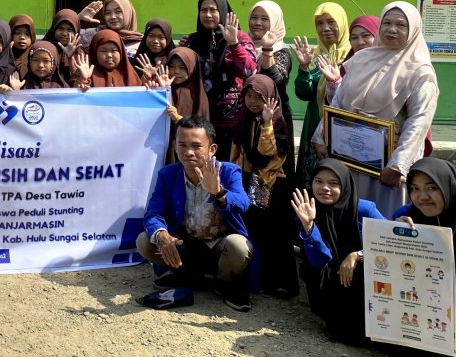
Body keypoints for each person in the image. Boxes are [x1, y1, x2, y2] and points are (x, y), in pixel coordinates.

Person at [313, 2, 437, 213]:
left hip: (386, 168)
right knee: (350, 216)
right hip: (350, 157)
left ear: (413, 29)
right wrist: (321, 136)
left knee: (382, 222)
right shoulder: (361, 59)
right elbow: (338, 101)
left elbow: (419, 121)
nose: (392, 29)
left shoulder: (420, 72)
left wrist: (398, 165)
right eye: (387, 23)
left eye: (401, 25)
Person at [136, 115, 252, 312]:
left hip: (219, 245)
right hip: (186, 244)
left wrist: (220, 193)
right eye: (182, 145)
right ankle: (185, 274)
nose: (188, 152)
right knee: (145, 241)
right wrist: (162, 234)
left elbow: (243, 204)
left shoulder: (228, 172)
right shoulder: (168, 174)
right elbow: (153, 213)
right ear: (174, 146)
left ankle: (222, 282)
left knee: (239, 246)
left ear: (212, 149)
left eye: (196, 146)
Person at [291, 159, 384, 345]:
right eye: (318, 181)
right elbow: (318, 260)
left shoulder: (364, 209)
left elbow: (390, 245)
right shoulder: (307, 210)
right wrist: (308, 226)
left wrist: (357, 255)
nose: (324, 188)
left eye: (333, 183)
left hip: (365, 274)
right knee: (312, 269)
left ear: (345, 185)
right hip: (329, 277)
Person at [229, 74, 298, 298]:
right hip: (248, 181)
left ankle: (279, 283)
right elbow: (235, 154)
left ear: (270, 97)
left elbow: (266, 154)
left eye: (258, 97)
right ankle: (254, 280)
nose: (252, 101)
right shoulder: (243, 120)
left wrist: (267, 123)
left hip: (270, 185)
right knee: (253, 230)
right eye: (248, 95)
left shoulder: (278, 122)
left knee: (274, 234)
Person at [181, 0, 257, 161]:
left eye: (213, 10)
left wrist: (234, 44)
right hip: (200, 120)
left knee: (226, 172)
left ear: (223, 12)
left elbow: (250, 71)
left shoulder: (240, 38)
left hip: (233, 122)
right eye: (203, 10)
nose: (208, 15)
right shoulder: (191, 42)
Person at [292, 2, 350, 186]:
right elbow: (305, 94)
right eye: (320, 23)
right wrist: (303, 68)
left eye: (331, 22)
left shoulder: (353, 54)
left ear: (341, 23)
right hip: (315, 123)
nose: (325, 28)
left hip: (343, 126)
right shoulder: (316, 55)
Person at [247, 0, 294, 148]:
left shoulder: (281, 51)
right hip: (248, 114)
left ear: (275, 22)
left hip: (274, 117)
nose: (258, 23)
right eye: (254, 17)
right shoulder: (245, 45)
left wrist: (267, 49)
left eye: (265, 19)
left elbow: (276, 81)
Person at [158, 47, 210, 164]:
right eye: (172, 66)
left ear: (192, 68)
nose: (176, 71)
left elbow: (202, 127)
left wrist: (179, 119)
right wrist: (163, 90)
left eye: (182, 68)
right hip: (161, 150)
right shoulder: (162, 88)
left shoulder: (197, 94)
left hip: (188, 154)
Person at [393, 158, 456, 232]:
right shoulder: (405, 215)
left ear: (449, 188)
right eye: (415, 188)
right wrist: (398, 235)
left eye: (432, 188)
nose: (423, 197)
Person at [72, 29, 141, 89]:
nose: (109, 55)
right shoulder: (85, 73)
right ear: (95, 52)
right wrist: (83, 80)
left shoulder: (130, 75)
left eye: (114, 50)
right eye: (103, 51)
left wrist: (149, 83)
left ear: (121, 52)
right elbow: (73, 99)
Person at [77, 0, 144, 57]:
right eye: (108, 13)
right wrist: (79, 18)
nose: (113, 17)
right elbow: (69, 36)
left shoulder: (140, 42)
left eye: (118, 11)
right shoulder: (95, 34)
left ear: (128, 13)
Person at [2, 41, 68, 92]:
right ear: (30, 61)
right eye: (36, 60)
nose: (40, 65)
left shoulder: (63, 88)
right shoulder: (22, 85)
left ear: (54, 63)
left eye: (46, 61)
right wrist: (16, 92)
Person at [41, 9, 83, 84]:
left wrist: (70, 58)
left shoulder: (81, 55)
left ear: (76, 32)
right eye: (60, 29)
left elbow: (79, 80)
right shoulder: (42, 49)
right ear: (53, 29)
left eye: (69, 30)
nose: (64, 33)